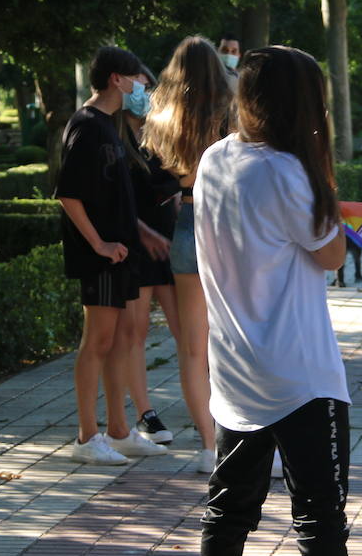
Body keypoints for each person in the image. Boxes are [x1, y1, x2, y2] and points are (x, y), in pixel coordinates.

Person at [191, 45, 360, 556]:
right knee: (319, 511)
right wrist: (324, 178)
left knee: (229, 506)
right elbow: (333, 255)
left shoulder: (214, 161)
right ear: (305, 105)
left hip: (234, 367)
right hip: (300, 372)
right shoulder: (291, 172)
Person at [55, 46, 173, 464]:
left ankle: (120, 430)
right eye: (139, 80)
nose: (144, 88)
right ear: (116, 80)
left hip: (124, 254)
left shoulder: (111, 127)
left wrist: (141, 233)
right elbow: (68, 194)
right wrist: (98, 244)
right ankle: (87, 437)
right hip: (103, 258)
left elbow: (114, 200)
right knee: (98, 341)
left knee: (121, 342)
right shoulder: (86, 126)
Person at [143, 37, 233, 475]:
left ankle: (207, 442)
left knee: (193, 347)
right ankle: (239, 435)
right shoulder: (230, 111)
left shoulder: (162, 116)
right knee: (232, 339)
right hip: (227, 224)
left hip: (186, 220)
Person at [113, 65, 181, 447]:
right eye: (139, 83)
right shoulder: (113, 138)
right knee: (134, 331)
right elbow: (114, 201)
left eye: (148, 85)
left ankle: (209, 407)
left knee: (186, 330)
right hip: (135, 246)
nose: (145, 91)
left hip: (171, 246)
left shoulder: (160, 134)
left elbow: (176, 191)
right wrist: (142, 232)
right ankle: (145, 413)